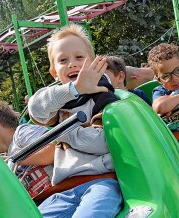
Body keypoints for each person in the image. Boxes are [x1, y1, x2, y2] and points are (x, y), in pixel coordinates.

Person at [28, 23, 123, 218]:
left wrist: (60, 129)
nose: (72, 63)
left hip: (101, 181)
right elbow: (36, 109)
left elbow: (101, 142)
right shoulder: (59, 99)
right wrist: (74, 89)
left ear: (94, 63)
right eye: (63, 60)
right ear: (54, 72)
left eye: (79, 57)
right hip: (64, 188)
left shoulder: (103, 96)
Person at [0, 101, 55, 199]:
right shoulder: (8, 154)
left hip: (65, 190)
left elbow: (52, 151)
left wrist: (14, 160)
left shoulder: (20, 133)